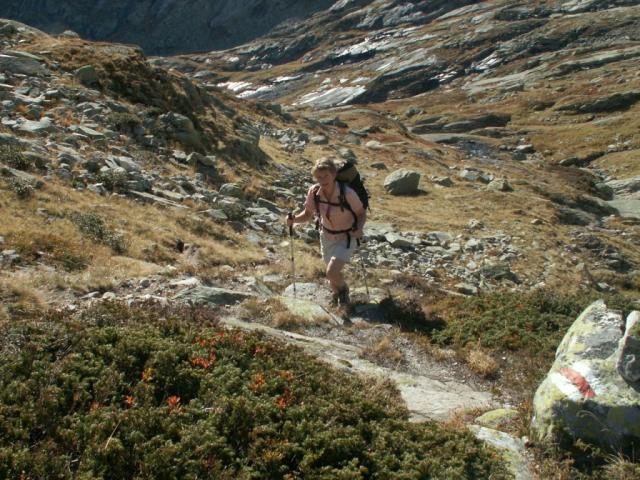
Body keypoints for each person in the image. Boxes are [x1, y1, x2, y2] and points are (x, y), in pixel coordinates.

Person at [286, 158, 366, 305]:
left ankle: (344, 291)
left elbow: (361, 213)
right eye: (319, 177)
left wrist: (359, 228)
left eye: (326, 176)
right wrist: (294, 220)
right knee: (332, 277)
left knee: (331, 272)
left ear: (334, 175)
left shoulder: (347, 193)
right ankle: (337, 298)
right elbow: (307, 214)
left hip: (347, 237)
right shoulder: (314, 192)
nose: (322, 180)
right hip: (326, 236)